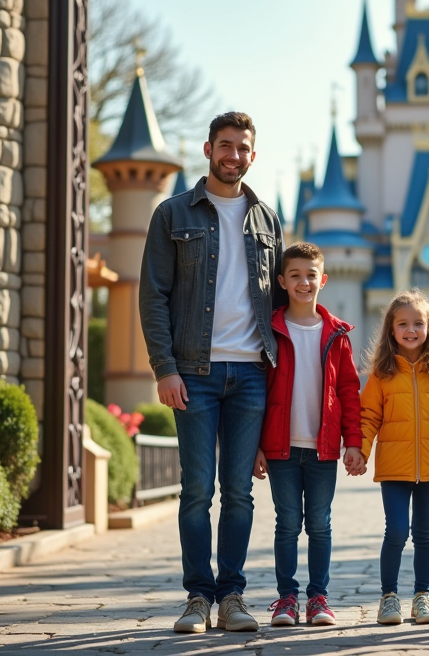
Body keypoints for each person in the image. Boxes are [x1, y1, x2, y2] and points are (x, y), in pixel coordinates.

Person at [140, 111, 285, 634]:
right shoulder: (171, 213)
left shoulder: (267, 220)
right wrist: (165, 368)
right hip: (194, 374)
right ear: (208, 150)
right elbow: (153, 296)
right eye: (225, 145)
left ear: (252, 154)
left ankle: (233, 597)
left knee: (240, 492)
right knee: (197, 489)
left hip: (251, 374)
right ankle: (198, 599)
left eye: (243, 147)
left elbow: (280, 305)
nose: (234, 155)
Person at [252, 242, 364, 627]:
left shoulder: (336, 334)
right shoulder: (269, 330)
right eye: (295, 276)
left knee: (319, 523)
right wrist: (256, 447)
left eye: (310, 275)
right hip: (280, 449)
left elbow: (349, 392)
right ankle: (286, 599)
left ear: (323, 279)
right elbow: (257, 393)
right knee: (286, 523)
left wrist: (354, 442)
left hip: (322, 450)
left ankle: (318, 598)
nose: (303, 282)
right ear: (281, 281)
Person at [358, 290, 429, 626]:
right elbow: (368, 417)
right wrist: (359, 451)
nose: (411, 330)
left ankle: (423, 597)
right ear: (391, 330)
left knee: (425, 534)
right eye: (403, 324)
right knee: (396, 531)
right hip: (394, 467)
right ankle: (389, 597)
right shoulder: (382, 374)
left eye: (418, 323)